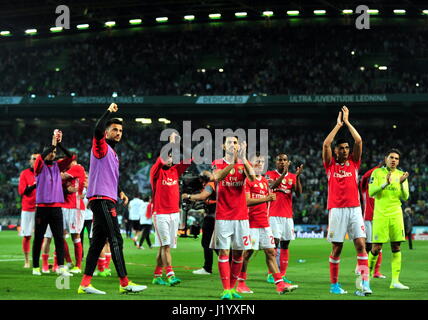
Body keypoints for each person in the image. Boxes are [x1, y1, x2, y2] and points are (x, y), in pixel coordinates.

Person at [78, 103, 146, 295]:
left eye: (120, 130)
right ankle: (125, 283)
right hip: (101, 200)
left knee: (99, 242)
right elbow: (97, 129)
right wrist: (109, 112)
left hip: (105, 198)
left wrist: (120, 191)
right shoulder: (101, 147)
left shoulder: (113, 154)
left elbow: (108, 177)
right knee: (116, 239)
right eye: (114, 129)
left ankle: (85, 283)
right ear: (106, 133)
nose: (118, 132)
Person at [322, 106, 372, 295]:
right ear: (336, 151)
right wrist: (337, 125)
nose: (344, 150)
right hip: (336, 209)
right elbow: (326, 144)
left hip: (355, 210)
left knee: (361, 245)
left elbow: (358, 140)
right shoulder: (330, 165)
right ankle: (334, 285)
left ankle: (364, 283)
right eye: (341, 148)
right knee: (337, 248)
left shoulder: (354, 162)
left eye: (346, 148)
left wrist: (348, 122)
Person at [237, 153, 298, 295]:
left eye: (262, 162)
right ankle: (240, 283)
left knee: (271, 252)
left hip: (264, 223)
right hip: (251, 223)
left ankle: (280, 284)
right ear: (251, 164)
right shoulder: (247, 181)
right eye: (257, 161)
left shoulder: (265, 181)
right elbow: (246, 201)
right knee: (247, 254)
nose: (260, 164)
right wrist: (266, 198)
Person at [210, 135, 256, 300]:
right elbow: (218, 177)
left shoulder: (243, 163)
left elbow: (252, 178)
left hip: (241, 216)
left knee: (238, 254)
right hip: (223, 215)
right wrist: (233, 162)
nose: (232, 145)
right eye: (229, 142)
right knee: (224, 251)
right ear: (224, 146)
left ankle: (232, 288)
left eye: (235, 143)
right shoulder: (217, 162)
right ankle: (225, 289)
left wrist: (242, 159)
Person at [150, 132, 192, 286]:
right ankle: (170, 274)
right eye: (167, 156)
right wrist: (171, 143)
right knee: (166, 246)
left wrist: (178, 144)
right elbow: (161, 160)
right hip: (160, 214)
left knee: (164, 246)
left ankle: (156, 276)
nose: (170, 159)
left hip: (174, 214)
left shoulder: (175, 171)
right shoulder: (156, 172)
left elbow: (188, 157)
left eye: (171, 157)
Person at [32, 130, 74, 277]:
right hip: (42, 208)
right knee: (38, 237)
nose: (53, 154)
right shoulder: (39, 166)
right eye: (51, 151)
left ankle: (61, 267)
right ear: (46, 152)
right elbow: (40, 158)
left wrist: (59, 145)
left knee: (59, 238)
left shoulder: (58, 166)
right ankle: (36, 266)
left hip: (56, 208)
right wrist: (52, 145)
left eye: (55, 152)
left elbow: (71, 156)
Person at [368, 149, 410, 289]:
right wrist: (385, 183)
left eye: (396, 158)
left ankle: (395, 281)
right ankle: (365, 279)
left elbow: (405, 197)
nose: (394, 160)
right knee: (376, 248)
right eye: (391, 157)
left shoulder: (401, 175)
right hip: (381, 214)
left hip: (396, 214)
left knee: (396, 246)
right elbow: (371, 192)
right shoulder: (377, 173)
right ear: (386, 158)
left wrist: (402, 183)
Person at [265, 153, 303, 284]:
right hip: (273, 215)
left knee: (285, 244)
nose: (282, 162)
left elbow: (298, 193)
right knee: (274, 243)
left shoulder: (292, 177)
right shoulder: (270, 174)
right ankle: (271, 274)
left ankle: (282, 274)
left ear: (288, 162)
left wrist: (297, 178)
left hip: (287, 216)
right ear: (276, 162)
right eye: (280, 160)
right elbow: (272, 187)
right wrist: (283, 175)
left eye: (285, 160)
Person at [182, 171, 218, 275]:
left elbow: (203, 196)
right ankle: (230, 264)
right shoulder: (215, 183)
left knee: (207, 243)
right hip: (215, 216)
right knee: (215, 244)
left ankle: (207, 268)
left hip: (212, 217)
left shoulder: (210, 185)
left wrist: (188, 196)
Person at [358, 163, 385, 278]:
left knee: (379, 246)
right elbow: (364, 177)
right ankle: (361, 267)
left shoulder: (380, 188)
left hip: (379, 218)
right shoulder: (365, 187)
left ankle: (376, 272)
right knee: (368, 246)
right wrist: (377, 168)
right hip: (368, 218)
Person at [61, 158, 86, 274]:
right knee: (60, 236)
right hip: (64, 206)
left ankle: (78, 266)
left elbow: (59, 177)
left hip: (75, 207)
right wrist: (66, 189)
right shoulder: (64, 169)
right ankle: (69, 262)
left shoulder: (77, 167)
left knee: (75, 236)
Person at [18, 153, 39, 268]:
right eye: (33, 159)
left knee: (42, 236)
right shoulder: (25, 173)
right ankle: (27, 261)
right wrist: (34, 185)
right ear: (30, 161)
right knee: (27, 235)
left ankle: (39, 260)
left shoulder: (43, 172)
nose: (35, 161)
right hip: (28, 208)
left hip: (41, 208)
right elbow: (22, 191)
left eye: (37, 159)